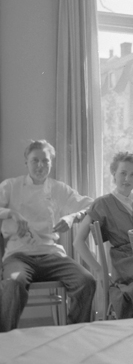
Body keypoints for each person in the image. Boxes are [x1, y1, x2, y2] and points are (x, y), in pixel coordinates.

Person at [0, 140, 95, 330]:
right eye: (35, 160)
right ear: (26, 162)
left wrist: (72, 217)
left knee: (86, 281)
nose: (40, 165)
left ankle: (74, 332)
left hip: (52, 256)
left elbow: (92, 205)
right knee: (13, 281)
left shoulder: (58, 188)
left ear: (51, 162)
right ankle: (5, 338)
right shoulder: (11, 186)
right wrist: (11, 213)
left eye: (45, 161)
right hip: (19, 256)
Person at [73, 151, 133, 319]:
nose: (127, 179)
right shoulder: (102, 203)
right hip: (125, 263)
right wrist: (99, 270)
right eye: (123, 173)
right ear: (114, 174)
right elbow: (78, 241)